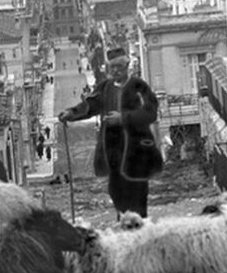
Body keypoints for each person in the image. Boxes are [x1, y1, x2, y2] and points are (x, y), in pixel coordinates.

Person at [58, 47, 162, 219]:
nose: (115, 71)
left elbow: (151, 112)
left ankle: (139, 230)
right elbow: (89, 106)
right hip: (113, 151)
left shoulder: (139, 87)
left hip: (136, 150)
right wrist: (71, 113)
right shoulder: (105, 88)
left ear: (127, 65)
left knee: (137, 194)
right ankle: (124, 223)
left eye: (119, 66)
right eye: (112, 67)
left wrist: (123, 118)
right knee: (116, 192)